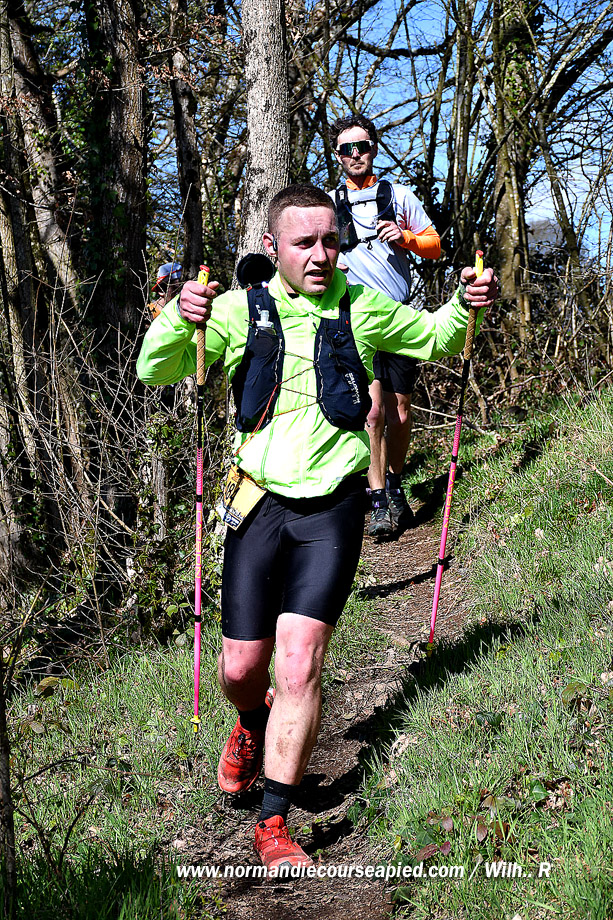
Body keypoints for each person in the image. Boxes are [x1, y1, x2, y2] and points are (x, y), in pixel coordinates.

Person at [136, 185, 498, 872]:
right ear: (272, 247)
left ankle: (274, 823)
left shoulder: (360, 305)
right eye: (304, 242)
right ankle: (251, 722)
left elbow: (436, 337)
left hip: (333, 506)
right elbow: (155, 369)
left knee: (299, 661)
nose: (320, 254)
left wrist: (464, 301)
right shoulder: (237, 309)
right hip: (258, 503)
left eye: (330, 240)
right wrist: (179, 318)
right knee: (241, 668)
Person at [329, 114, 441, 537]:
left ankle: (394, 485)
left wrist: (406, 237)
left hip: (400, 314)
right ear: (337, 155)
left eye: (362, 146)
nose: (355, 154)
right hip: (355, 317)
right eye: (347, 149)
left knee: (399, 412)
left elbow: (435, 246)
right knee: (372, 412)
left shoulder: (399, 195)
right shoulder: (329, 203)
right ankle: (377, 501)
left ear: (373, 149)